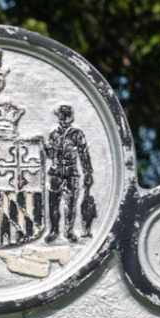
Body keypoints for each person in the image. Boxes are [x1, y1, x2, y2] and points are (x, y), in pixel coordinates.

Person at [44, 104, 94, 243]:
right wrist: (46, 148)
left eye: (63, 115)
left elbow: (84, 154)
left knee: (71, 202)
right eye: (60, 115)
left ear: (68, 117)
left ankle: (68, 231)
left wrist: (88, 172)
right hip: (55, 170)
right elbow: (50, 155)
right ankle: (54, 230)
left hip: (71, 171)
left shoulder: (77, 133)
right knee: (53, 202)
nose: (62, 118)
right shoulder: (54, 133)